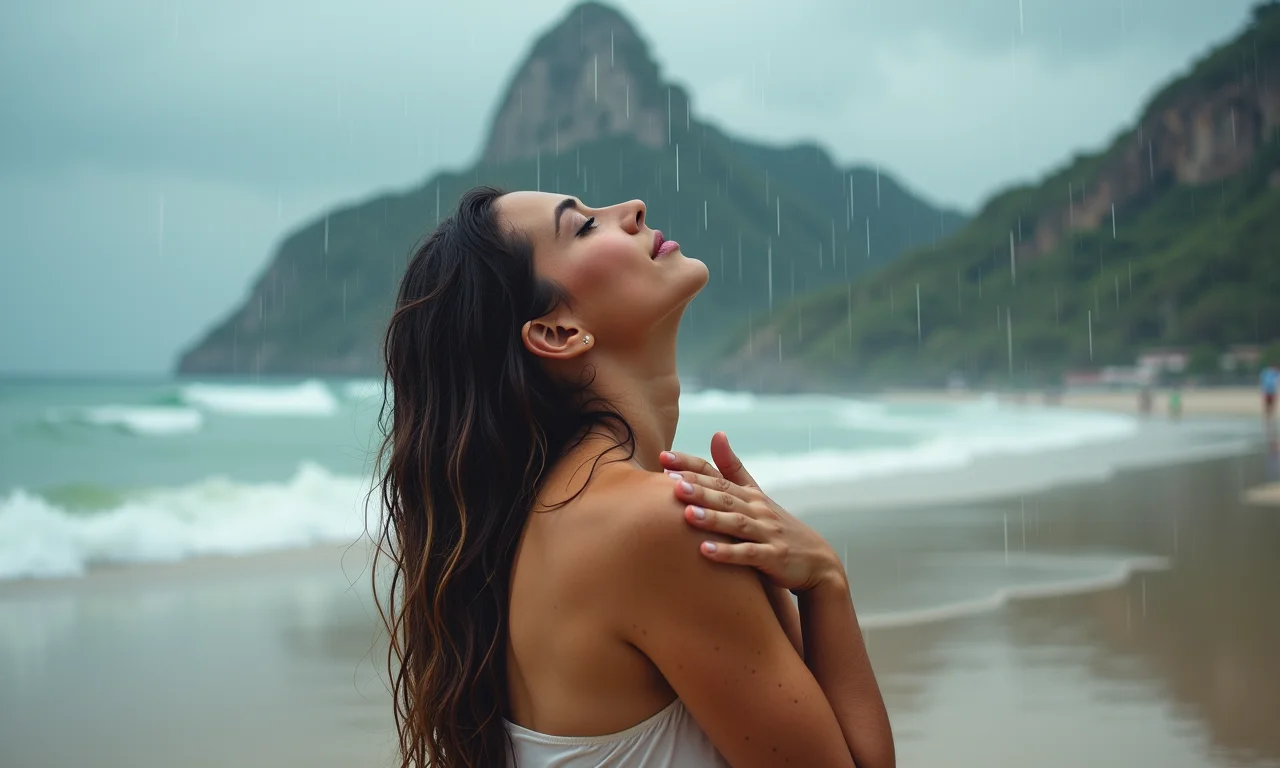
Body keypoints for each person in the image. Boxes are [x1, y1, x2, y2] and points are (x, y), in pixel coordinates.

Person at [372, 187, 894, 768]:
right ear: (556, 332)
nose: (634, 208)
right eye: (583, 227)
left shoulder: (541, 525)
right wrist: (824, 580)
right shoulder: (651, 525)